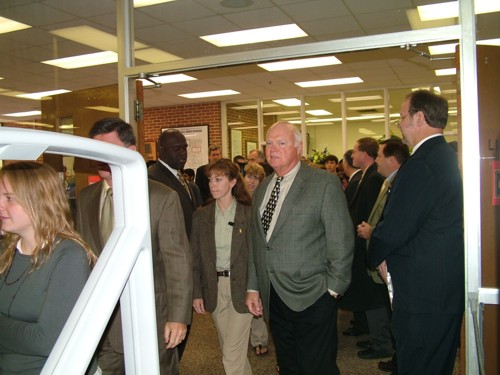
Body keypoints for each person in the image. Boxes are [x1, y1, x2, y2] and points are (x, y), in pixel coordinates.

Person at [76, 118, 192, 375]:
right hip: (101, 324)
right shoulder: (86, 199)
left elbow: (178, 261)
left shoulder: (160, 198)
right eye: (95, 150)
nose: (99, 157)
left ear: (130, 152)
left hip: (149, 320)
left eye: (107, 148)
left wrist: (178, 317)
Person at [368, 90, 464, 375]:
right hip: (439, 291)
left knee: (419, 365)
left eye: (401, 117)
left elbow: (396, 226)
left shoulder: (421, 164)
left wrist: (374, 255)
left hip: (422, 295)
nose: (399, 125)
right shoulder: (443, 156)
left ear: (419, 118)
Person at [246, 121, 354, 375]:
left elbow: (342, 239)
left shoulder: (323, 183)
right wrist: (253, 286)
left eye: (281, 143)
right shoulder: (263, 188)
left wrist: (333, 290)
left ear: (298, 147)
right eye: (269, 143)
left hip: (313, 295)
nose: (273, 149)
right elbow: (257, 242)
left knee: (317, 367)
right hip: (274, 296)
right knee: (288, 365)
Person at [0, 161, 97, 374]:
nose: (0, 204)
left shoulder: (69, 255)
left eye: (9, 198)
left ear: (38, 200)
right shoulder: (6, 250)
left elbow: (47, 340)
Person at [191, 158, 254, 375]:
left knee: (230, 355)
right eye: (210, 180)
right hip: (214, 288)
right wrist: (196, 293)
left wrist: (256, 290)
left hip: (242, 288)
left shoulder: (248, 213)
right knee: (231, 349)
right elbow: (195, 258)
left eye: (219, 179)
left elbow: (257, 256)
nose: (213, 185)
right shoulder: (201, 215)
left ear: (233, 182)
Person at [356, 139, 410, 374]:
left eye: (379, 156)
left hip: (393, 261)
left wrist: (372, 232)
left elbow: (398, 225)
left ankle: (399, 359)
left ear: (391, 159)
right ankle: (398, 357)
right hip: (382, 257)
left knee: (396, 313)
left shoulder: (401, 184)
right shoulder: (389, 182)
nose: (376, 159)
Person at [340, 137, 393, 361]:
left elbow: (370, 214)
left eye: (355, 150)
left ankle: (381, 343)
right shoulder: (364, 176)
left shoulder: (372, 178)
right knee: (368, 296)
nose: (351, 155)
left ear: (366, 154)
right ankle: (376, 338)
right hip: (361, 245)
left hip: (367, 245)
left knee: (373, 297)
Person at [149, 129, 203, 238]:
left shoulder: (178, 175)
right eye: (177, 149)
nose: (183, 153)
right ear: (161, 150)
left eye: (185, 148)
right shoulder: (153, 177)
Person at [243, 162, 269, 356]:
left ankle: (259, 338)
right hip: (241, 256)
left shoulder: (266, 200)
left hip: (259, 256)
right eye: (248, 176)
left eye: (255, 177)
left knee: (257, 295)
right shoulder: (239, 200)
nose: (251, 181)